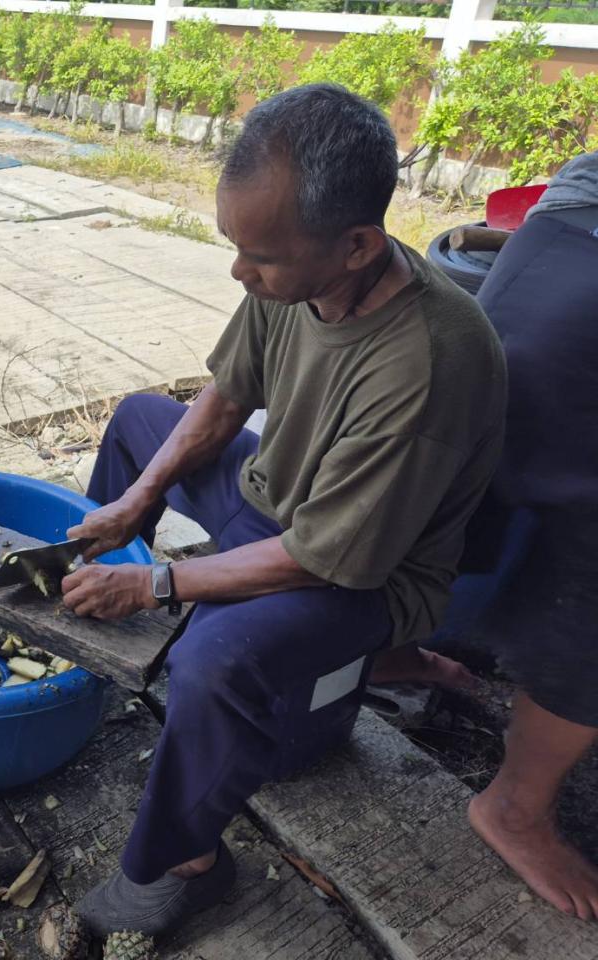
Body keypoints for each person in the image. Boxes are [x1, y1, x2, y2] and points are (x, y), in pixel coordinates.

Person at [60, 84, 507, 938]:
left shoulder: (428, 364)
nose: (240, 272)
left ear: (357, 245)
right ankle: (82, 626)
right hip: (282, 501)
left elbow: (325, 557)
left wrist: (158, 583)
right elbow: (225, 399)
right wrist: (136, 501)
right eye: (236, 247)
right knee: (135, 425)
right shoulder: (300, 277)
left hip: (365, 572)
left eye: (257, 256)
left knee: (214, 660)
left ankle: (185, 860)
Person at [379, 153, 598, 920]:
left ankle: (385, 651)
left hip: (569, 217)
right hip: (580, 238)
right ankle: (514, 807)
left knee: (473, 477)